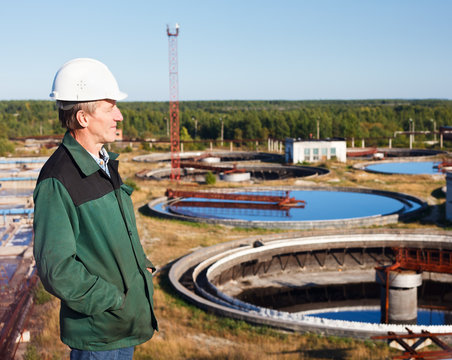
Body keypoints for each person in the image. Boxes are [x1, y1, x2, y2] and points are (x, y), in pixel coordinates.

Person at [33, 58, 158, 359]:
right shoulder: (58, 179)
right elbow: (57, 269)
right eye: (110, 107)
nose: (120, 115)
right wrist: (113, 299)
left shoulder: (103, 164)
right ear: (83, 118)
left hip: (120, 330)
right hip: (98, 337)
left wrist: (140, 267)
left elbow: (108, 237)